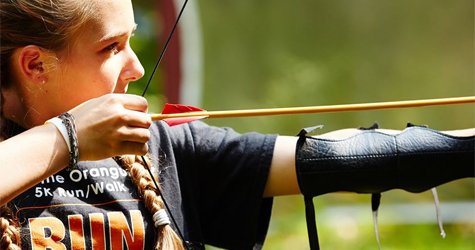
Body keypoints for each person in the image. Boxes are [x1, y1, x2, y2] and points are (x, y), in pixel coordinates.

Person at [0, 0, 473, 249]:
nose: (136, 68)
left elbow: (337, 159)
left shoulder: (164, 148)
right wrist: (67, 136)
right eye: (110, 47)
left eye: (132, 41)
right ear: (36, 65)